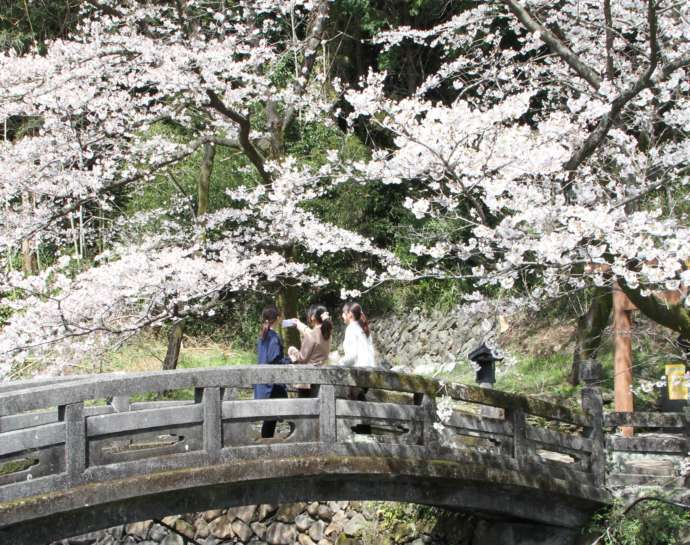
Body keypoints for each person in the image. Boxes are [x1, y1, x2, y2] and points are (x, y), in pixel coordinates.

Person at [253, 305, 291, 438]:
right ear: (278, 318)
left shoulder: (263, 335)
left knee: (271, 418)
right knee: (286, 411)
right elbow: (274, 359)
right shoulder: (273, 337)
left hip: (264, 382)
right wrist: (290, 359)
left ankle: (266, 441)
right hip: (273, 384)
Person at [287, 305, 333, 397]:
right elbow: (311, 333)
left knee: (306, 408)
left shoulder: (312, 335)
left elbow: (302, 358)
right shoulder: (327, 333)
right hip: (322, 375)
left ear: (312, 317)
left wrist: (292, 350)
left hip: (308, 379)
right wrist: (299, 325)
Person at [338, 302, 376, 402]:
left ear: (350, 314)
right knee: (356, 399)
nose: (342, 315)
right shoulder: (363, 328)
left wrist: (340, 363)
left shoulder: (351, 328)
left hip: (360, 373)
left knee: (353, 400)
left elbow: (353, 355)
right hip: (369, 371)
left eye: (343, 312)